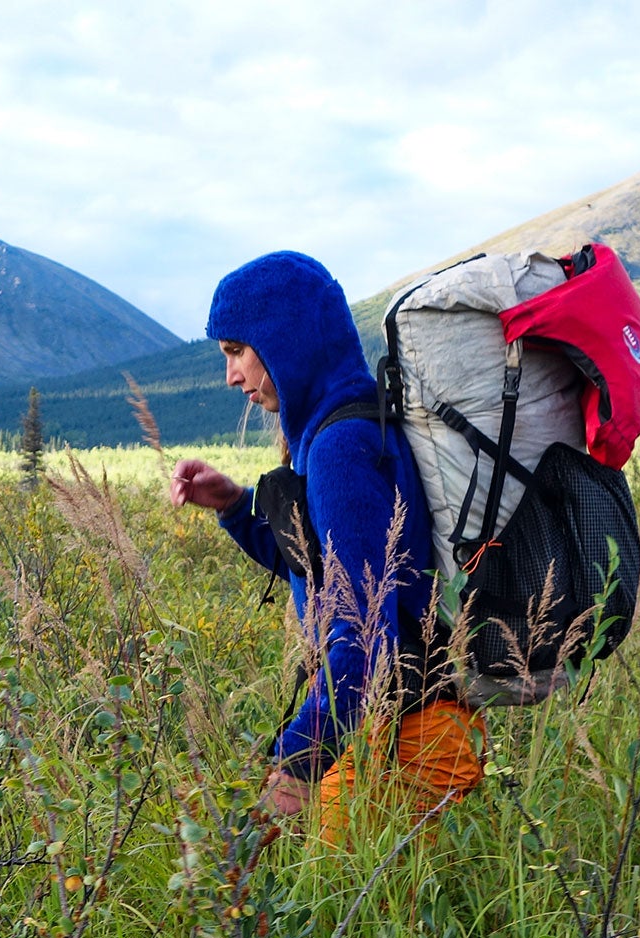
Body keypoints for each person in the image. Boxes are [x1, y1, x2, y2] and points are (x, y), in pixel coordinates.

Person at [168, 251, 483, 840]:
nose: (230, 376)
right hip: (394, 726)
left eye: (237, 352)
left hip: (408, 741)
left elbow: (364, 642)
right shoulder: (336, 429)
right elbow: (323, 565)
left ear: (286, 341)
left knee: (346, 921)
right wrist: (236, 507)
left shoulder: (341, 446)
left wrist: (295, 767)